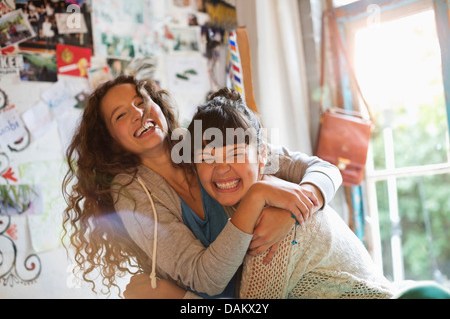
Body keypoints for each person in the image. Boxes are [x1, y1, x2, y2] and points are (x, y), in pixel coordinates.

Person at [62, 75, 342, 298]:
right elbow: (205, 279)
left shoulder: (200, 140)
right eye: (120, 115)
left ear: (158, 106)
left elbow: (321, 169)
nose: (137, 113)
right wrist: (258, 196)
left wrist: (297, 209)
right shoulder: (131, 193)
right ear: (109, 139)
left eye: (140, 101)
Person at [124, 88, 393, 299]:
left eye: (236, 154)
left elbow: (324, 169)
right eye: (207, 158)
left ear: (263, 156)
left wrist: (173, 297)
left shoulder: (271, 228)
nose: (222, 169)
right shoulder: (255, 203)